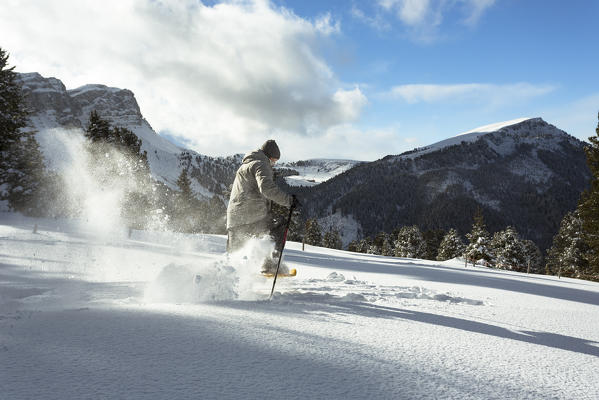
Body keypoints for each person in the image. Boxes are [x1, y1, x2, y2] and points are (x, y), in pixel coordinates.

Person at [226, 139, 299, 273]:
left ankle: (226, 282)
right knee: (279, 225)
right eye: (274, 160)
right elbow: (266, 189)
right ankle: (271, 265)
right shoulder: (261, 164)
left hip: (234, 219)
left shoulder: (245, 165)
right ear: (270, 156)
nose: (274, 163)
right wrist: (289, 200)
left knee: (234, 259)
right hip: (251, 215)